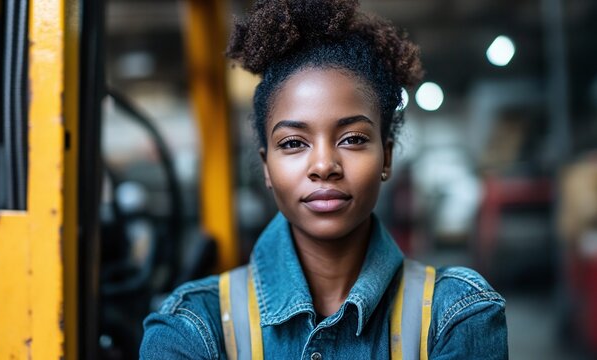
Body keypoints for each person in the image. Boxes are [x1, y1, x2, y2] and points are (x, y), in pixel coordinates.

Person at [140, 0, 508, 358]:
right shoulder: (191, 327)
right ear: (267, 167)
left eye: (352, 139)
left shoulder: (458, 315)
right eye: (294, 143)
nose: (324, 165)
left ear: (387, 156)